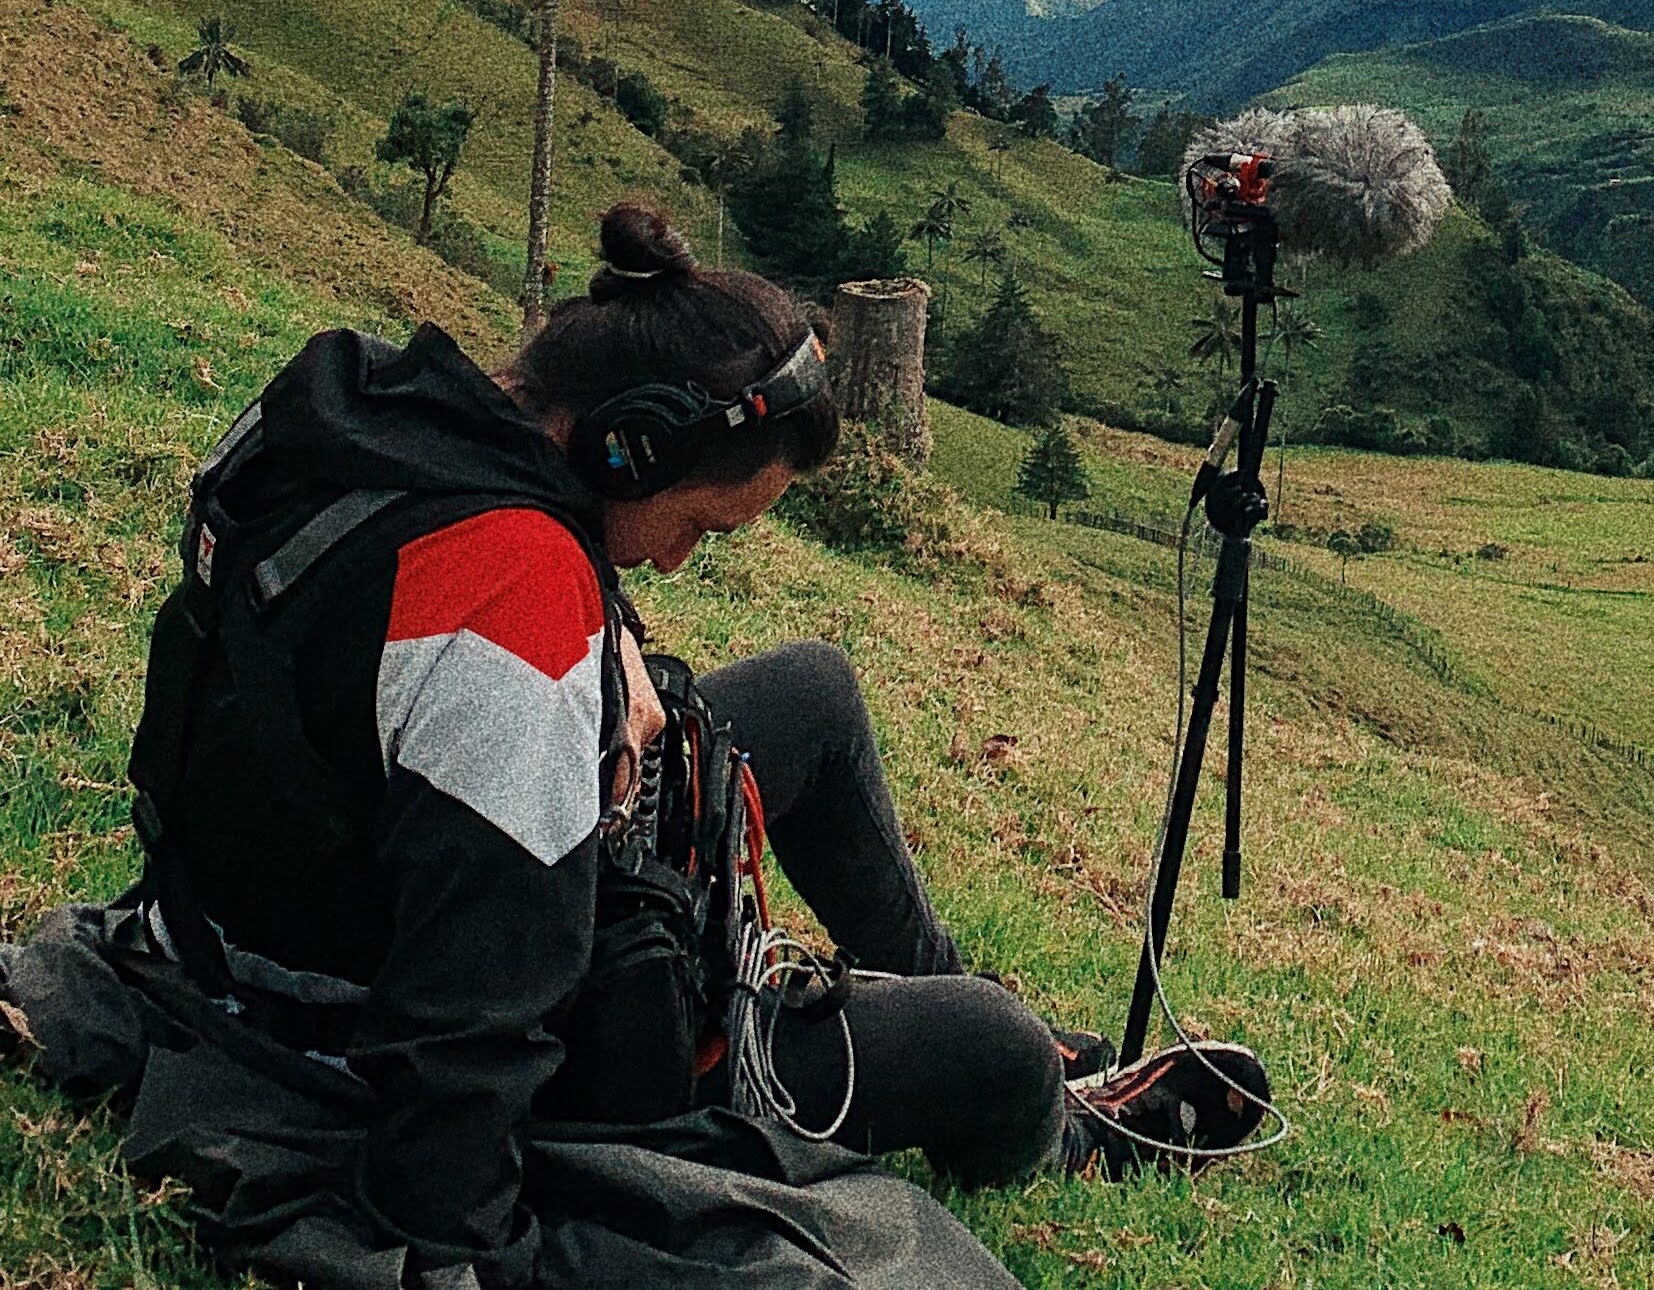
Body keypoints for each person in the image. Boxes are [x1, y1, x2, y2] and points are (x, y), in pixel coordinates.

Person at [0, 202, 1269, 1290]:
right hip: (393, 1004)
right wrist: (457, 1240)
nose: (674, 560)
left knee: (814, 695)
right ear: (631, 446)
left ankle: (1009, 1035)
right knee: (979, 1046)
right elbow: (478, 1005)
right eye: (698, 526)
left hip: (256, 905)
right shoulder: (514, 602)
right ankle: (1063, 1122)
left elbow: (386, 647)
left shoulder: (376, 412)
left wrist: (596, 635)